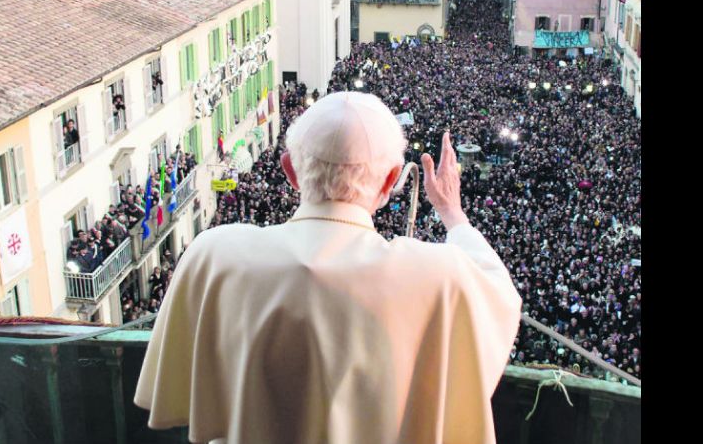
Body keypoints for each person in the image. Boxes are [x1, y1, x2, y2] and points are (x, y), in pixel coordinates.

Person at [135, 92, 521, 443]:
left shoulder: (213, 255)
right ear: (390, 181)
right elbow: (499, 292)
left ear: (290, 171)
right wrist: (452, 213)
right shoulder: (438, 276)